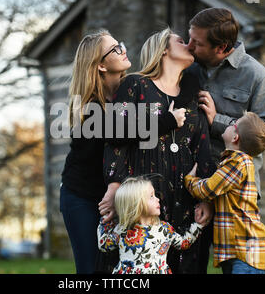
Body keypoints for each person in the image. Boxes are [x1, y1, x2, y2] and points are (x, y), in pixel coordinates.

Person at [60, 30, 186, 274]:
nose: (123, 49)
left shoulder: (132, 90)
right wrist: (166, 121)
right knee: (91, 269)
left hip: (120, 198)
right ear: (100, 66)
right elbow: (119, 134)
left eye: (121, 44)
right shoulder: (89, 106)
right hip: (83, 197)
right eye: (115, 49)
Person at [101, 28, 216, 274]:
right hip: (144, 195)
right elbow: (114, 137)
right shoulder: (135, 84)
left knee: (188, 264)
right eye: (181, 41)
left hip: (185, 197)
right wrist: (114, 184)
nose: (190, 45)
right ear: (164, 49)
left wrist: (206, 196)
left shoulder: (193, 95)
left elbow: (202, 147)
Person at [187, 8, 265, 198]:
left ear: (221, 48)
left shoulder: (256, 75)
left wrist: (217, 120)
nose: (189, 46)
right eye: (190, 38)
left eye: (197, 43)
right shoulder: (188, 66)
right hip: (192, 181)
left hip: (234, 191)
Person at [184, 112, 265, 274]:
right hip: (238, 252)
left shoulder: (237, 163)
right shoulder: (236, 162)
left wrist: (189, 179)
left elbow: (207, 189)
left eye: (233, 124)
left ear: (235, 138)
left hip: (245, 253)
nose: (229, 124)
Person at [97, 176, 205, 274]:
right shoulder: (123, 229)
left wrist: (198, 225)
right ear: (137, 203)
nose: (158, 199)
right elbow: (104, 245)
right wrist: (105, 220)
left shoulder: (164, 229)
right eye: (151, 196)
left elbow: (183, 243)